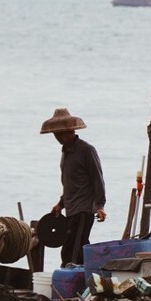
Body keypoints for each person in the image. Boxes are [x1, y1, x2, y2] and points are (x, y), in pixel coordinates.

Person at [40, 108, 107, 266]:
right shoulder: (66, 153)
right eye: (55, 134)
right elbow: (70, 184)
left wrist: (99, 205)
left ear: (70, 131)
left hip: (83, 210)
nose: (57, 137)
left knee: (71, 252)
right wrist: (61, 204)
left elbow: (97, 179)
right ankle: (86, 278)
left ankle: (71, 280)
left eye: (60, 134)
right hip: (71, 209)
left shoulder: (86, 150)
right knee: (77, 248)